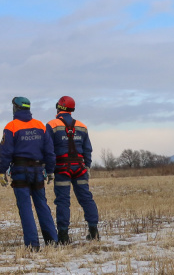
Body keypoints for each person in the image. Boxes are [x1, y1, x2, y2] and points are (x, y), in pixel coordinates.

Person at [0, 96, 58, 250]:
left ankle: (32, 244)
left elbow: (6, 152)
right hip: (38, 172)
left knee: (25, 208)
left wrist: (2, 171)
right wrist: (50, 171)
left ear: (16, 108)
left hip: (20, 172)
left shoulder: (11, 127)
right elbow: (50, 152)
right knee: (42, 205)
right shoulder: (40, 126)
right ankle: (52, 240)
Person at [46, 96, 100, 243]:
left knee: (63, 201)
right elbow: (87, 149)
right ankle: (94, 231)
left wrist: (49, 170)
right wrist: (87, 166)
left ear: (59, 107)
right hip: (80, 168)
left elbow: (49, 150)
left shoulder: (52, 125)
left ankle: (63, 236)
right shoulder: (82, 126)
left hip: (62, 168)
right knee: (86, 199)